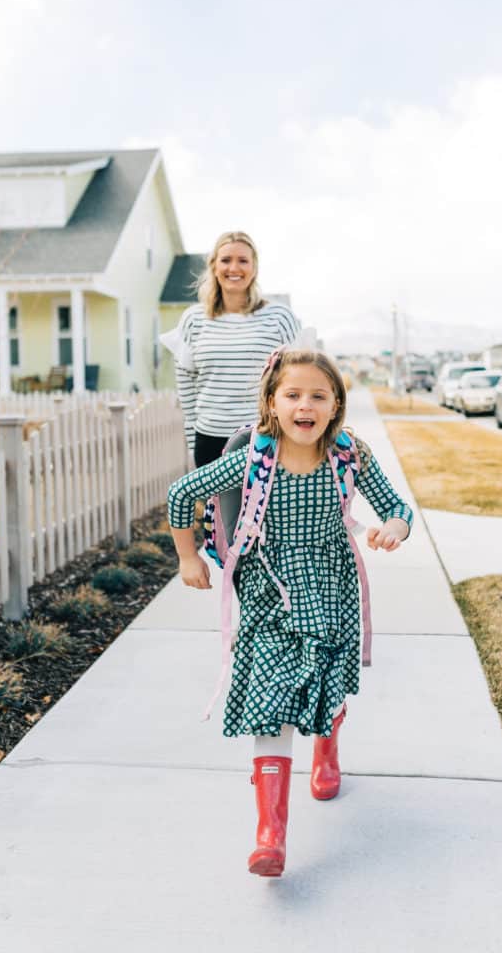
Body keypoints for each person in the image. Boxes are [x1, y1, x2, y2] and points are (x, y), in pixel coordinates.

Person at [167, 349, 413, 878]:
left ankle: (327, 748)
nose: (306, 405)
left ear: (336, 405)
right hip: (267, 591)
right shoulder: (256, 458)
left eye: (318, 396)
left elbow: (397, 506)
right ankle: (271, 835)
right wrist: (188, 556)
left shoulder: (349, 456)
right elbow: (182, 491)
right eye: (293, 394)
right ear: (273, 404)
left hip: (331, 587)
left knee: (326, 683)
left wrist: (394, 527)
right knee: (271, 696)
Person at [162, 230, 300, 467]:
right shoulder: (193, 320)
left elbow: (298, 382)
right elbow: (187, 394)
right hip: (210, 443)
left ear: (254, 268)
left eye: (243, 260)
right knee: (217, 507)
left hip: (266, 439)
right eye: (226, 260)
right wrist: (194, 448)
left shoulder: (279, 318)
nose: (234, 268)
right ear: (214, 267)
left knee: (267, 506)